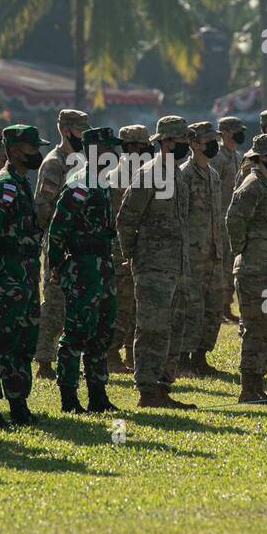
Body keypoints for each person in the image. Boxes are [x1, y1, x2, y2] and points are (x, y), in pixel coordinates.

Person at [0, 125, 52, 427]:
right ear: (16, 150)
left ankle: (18, 403)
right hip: (10, 277)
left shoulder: (20, 182)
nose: (38, 153)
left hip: (27, 277)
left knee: (23, 342)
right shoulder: (4, 185)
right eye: (33, 148)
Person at [117, 116, 195, 409]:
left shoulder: (178, 174)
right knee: (152, 328)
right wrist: (131, 257)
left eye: (186, 141)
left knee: (173, 327)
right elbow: (126, 219)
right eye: (179, 141)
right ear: (163, 142)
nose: (184, 146)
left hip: (176, 266)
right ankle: (147, 390)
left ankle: (163, 386)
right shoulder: (149, 173)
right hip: (152, 266)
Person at [47, 126, 123, 413]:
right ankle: (69, 397)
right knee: (77, 334)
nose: (114, 154)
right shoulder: (79, 183)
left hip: (103, 267)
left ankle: (98, 394)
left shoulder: (101, 182)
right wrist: (56, 265)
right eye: (108, 149)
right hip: (83, 268)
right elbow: (57, 230)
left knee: (102, 332)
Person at [226, 133, 267, 404]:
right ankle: (248, 388)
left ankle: (258, 384)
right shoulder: (252, 185)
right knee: (256, 327)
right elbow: (234, 219)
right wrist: (244, 250)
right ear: (262, 158)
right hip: (254, 271)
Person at [33, 109, 89, 381]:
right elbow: (43, 208)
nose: (85, 136)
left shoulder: (83, 161)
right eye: (80, 130)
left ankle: (69, 358)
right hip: (59, 243)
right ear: (66, 130)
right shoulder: (54, 163)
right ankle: (44, 361)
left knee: (75, 305)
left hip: (79, 245)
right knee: (55, 305)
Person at [180, 121, 224, 375]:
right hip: (192, 254)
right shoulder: (184, 176)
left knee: (212, 308)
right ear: (194, 143)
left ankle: (200, 356)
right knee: (191, 307)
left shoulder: (213, 176)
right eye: (207, 140)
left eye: (214, 138)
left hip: (213, 253)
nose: (213, 144)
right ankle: (184, 358)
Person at [107, 125, 150, 373]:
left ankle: (131, 355)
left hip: (139, 248)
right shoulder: (118, 176)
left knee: (136, 306)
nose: (142, 150)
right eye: (137, 146)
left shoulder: (144, 173)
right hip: (120, 250)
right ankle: (111, 354)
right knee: (121, 306)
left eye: (144, 146)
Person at [213, 116, 247, 323]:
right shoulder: (218, 157)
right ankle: (220, 306)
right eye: (236, 130)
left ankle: (226, 305)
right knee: (221, 263)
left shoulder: (237, 155)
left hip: (232, 217)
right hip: (219, 217)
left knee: (230, 263)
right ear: (225, 132)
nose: (239, 133)